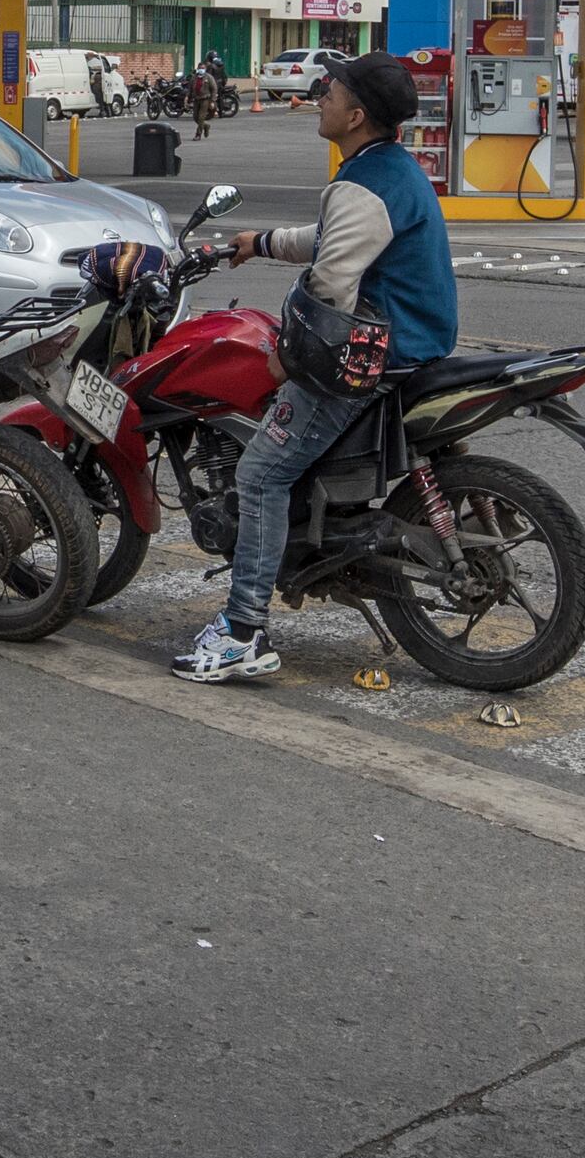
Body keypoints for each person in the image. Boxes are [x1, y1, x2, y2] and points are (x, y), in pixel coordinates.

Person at [176, 51, 454, 686]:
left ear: (356, 115)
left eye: (332, 92)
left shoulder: (363, 184)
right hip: (414, 341)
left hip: (377, 352)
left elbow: (330, 281)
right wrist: (262, 241)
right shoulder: (383, 171)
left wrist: (288, 353)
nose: (321, 97)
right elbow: (333, 238)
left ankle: (243, 631)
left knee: (261, 474)